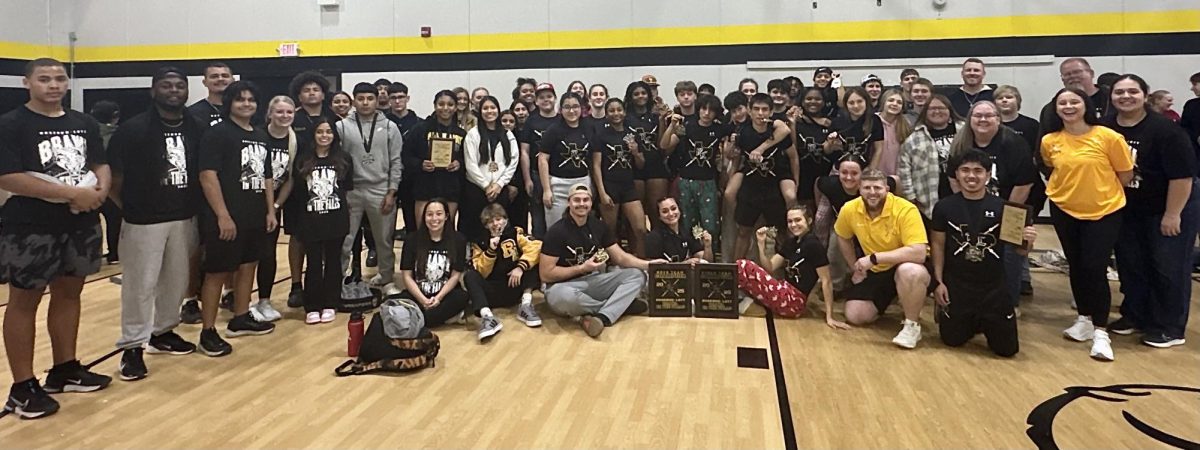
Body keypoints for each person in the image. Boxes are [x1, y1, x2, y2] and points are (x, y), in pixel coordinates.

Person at [0, 58, 112, 418]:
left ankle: (65, 368)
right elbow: (8, 177)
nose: (53, 85)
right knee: (24, 301)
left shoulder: (84, 123)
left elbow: (100, 165)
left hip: (80, 224)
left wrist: (98, 193)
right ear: (27, 83)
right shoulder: (12, 124)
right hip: (31, 226)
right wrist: (70, 194)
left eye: (59, 78)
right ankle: (21, 387)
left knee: (69, 293)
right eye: (44, 79)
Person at [107, 67, 202, 381]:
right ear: (153, 90)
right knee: (140, 286)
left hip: (184, 216)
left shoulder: (196, 127)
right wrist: (132, 209)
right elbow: (115, 180)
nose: (173, 90)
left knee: (176, 280)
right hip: (143, 220)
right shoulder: (133, 130)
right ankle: (133, 346)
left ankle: (163, 332)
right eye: (166, 85)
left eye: (179, 85)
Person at [1104, 74, 1198, 349]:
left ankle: (1170, 326)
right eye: (1119, 92)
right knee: (1132, 265)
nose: (1125, 96)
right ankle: (1135, 315)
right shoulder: (1106, 128)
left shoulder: (1166, 130)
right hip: (1129, 209)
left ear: (1145, 96)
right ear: (1111, 97)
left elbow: (1182, 178)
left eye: (1132, 91)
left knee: (1168, 268)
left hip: (1168, 207)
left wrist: (1173, 214)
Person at [1041, 87, 1134, 361]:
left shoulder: (1107, 136)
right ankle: (1083, 318)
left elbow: (1125, 174)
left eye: (1074, 101)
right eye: (1062, 103)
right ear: (1056, 109)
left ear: (1086, 105)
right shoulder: (1050, 140)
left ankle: (1101, 332)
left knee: (1095, 268)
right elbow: (1052, 167)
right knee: (1077, 265)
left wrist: (1099, 192)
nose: (1068, 106)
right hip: (1064, 210)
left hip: (1104, 211)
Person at [196, 80, 276, 358]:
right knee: (217, 272)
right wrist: (222, 215)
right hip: (226, 216)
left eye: (251, 100)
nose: (246, 104)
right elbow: (208, 176)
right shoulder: (217, 134)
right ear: (230, 102)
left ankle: (240, 317)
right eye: (240, 99)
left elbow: (267, 177)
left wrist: (270, 210)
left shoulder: (260, 134)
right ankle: (207, 331)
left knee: (248, 266)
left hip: (254, 215)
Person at [931, 149, 1037, 357]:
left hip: (993, 290)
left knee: (1007, 351)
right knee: (952, 340)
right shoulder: (943, 207)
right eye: (965, 170)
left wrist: (1028, 242)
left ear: (988, 175)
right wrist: (938, 283)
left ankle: (985, 321)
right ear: (957, 174)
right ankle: (967, 320)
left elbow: (1020, 250)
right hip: (958, 286)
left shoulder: (1005, 209)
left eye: (978, 171)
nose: (971, 176)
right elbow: (937, 246)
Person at [539, 184, 664, 338]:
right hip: (563, 287)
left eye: (586, 200)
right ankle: (618, 307)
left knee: (637, 275)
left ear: (591, 203)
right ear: (569, 202)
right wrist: (582, 268)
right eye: (577, 200)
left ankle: (600, 317)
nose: (581, 204)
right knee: (563, 299)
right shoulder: (556, 232)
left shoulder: (598, 226)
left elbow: (620, 257)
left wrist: (649, 265)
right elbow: (545, 274)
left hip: (594, 281)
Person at [948, 101, 1036, 313]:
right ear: (970, 119)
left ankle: (1009, 303)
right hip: (971, 206)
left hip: (1010, 208)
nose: (983, 120)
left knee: (1009, 255)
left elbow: (1024, 182)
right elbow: (953, 177)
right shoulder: (961, 143)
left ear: (998, 119)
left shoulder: (1014, 143)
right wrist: (967, 207)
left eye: (989, 115)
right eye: (978, 116)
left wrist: (1004, 214)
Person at [833, 169, 930, 349]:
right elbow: (842, 235)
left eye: (877, 188)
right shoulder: (849, 209)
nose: (872, 192)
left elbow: (919, 253)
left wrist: (874, 258)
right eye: (867, 188)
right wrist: (855, 267)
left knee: (909, 272)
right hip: (878, 271)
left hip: (907, 266)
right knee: (855, 315)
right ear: (859, 190)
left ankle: (912, 325)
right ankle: (895, 298)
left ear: (887, 188)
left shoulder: (906, 209)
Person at [336, 83, 404, 294]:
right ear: (354, 101)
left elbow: (396, 161)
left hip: (381, 190)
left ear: (377, 100)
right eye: (361, 98)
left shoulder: (390, 127)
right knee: (345, 238)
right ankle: (337, 280)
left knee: (383, 239)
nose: (365, 103)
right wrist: (340, 191)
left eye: (370, 98)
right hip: (352, 191)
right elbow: (336, 160)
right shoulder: (342, 127)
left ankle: (386, 278)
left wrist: (392, 192)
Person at [287, 117, 353, 325]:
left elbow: (347, 191)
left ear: (334, 135)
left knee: (333, 262)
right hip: (310, 220)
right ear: (313, 135)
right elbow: (297, 193)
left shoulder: (343, 159)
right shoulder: (303, 159)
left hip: (336, 220)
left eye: (328, 132)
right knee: (313, 263)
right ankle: (312, 305)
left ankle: (330, 303)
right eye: (320, 132)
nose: (324, 136)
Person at [737, 207, 844, 327]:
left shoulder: (814, 245)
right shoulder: (791, 242)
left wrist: (829, 316)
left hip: (793, 301)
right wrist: (761, 245)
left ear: (809, 220)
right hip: (783, 290)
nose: (793, 225)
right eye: (790, 221)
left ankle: (740, 302)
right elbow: (770, 267)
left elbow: (826, 280)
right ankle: (743, 302)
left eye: (798, 220)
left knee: (743, 265)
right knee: (742, 267)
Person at [285, 72, 338, 307]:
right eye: (306, 90)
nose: (311, 93)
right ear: (299, 95)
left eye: (315, 89)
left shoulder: (333, 119)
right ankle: (296, 285)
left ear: (323, 93)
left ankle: (323, 284)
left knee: (326, 237)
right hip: (298, 188)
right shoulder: (292, 119)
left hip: (327, 187)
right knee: (297, 237)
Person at [730, 93, 797, 260]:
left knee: (779, 231)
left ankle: (789, 267)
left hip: (774, 185)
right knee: (743, 230)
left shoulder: (778, 130)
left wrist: (796, 182)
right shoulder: (742, 132)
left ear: (771, 112)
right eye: (756, 109)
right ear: (750, 111)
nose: (761, 113)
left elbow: (793, 157)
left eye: (765, 109)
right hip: (751, 185)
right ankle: (737, 270)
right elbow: (735, 158)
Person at [464, 204, 543, 341]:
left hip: (515, 284)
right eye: (490, 221)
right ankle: (488, 317)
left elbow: (536, 246)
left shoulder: (516, 233)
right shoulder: (480, 242)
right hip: (492, 290)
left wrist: (520, 267)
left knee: (532, 262)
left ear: (505, 220)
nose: (495, 224)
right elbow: (481, 271)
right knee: (470, 276)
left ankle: (525, 305)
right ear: (485, 225)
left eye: (499, 219)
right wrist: (490, 251)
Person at [250, 96, 297, 322]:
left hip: (273, 204)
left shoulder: (295, 140)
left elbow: (290, 178)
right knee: (247, 255)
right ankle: (240, 300)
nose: (284, 116)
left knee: (268, 254)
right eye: (279, 112)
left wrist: (276, 206)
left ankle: (265, 300)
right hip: (249, 200)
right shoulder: (257, 136)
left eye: (289, 112)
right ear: (270, 114)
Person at [995, 85, 1044, 296]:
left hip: (1025, 188)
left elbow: (1036, 154)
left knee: (1020, 234)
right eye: (1000, 98)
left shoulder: (1030, 125)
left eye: (1009, 97)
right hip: (998, 190)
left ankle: (1022, 278)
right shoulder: (987, 126)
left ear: (1018, 100)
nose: (1005, 101)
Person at [662, 94, 728, 243]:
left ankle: (710, 258)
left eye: (711, 110)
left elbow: (735, 136)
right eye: (703, 109)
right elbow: (664, 145)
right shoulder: (687, 126)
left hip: (708, 182)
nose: (706, 113)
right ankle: (690, 255)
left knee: (710, 224)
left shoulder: (719, 129)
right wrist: (672, 126)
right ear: (698, 109)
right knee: (687, 223)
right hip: (686, 181)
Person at [398, 200, 471, 327]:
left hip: (444, 296)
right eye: (429, 214)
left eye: (439, 214)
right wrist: (423, 300)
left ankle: (417, 321)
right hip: (418, 294)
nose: (434, 219)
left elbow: (455, 275)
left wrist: (438, 298)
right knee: (391, 302)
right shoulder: (412, 239)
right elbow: (407, 276)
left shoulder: (459, 240)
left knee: (463, 297)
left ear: (446, 216)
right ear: (424, 217)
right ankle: (437, 318)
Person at [590, 98, 647, 256]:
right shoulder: (600, 135)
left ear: (624, 111)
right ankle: (613, 265)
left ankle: (642, 263)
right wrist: (602, 193)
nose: (616, 113)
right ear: (606, 114)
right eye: (612, 110)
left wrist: (635, 152)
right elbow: (596, 166)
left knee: (640, 229)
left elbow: (641, 164)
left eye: (619, 110)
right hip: (609, 186)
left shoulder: (632, 134)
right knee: (610, 232)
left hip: (628, 186)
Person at [404, 90, 465, 227]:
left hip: (450, 187)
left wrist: (459, 163)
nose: (445, 108)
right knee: (422, 229)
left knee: (447, 228)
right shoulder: (419, 130)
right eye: (441, 104)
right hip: (424, 186)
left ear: (455, 107)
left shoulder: (461, 133)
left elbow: (467, 159)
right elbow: (406, 156)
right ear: (435, 105)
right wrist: (420, 164)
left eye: (450, 105)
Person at [462, 95, 519, 242]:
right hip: (477, 189)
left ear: (498, 111)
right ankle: (474, 261)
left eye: (492, 108)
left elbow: (513, 161)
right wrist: (486, 185)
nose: (489, 111)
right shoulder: (473, 134)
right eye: (485, 108)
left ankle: (501, 261)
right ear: (480, 111)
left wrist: (499, 185)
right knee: (475, 228)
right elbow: (470, 164)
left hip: (500, 190)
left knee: (500, 228)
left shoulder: (508, 134)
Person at [897, 94, 961, 219]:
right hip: (928, 200)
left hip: (962, 194)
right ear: (925, 112)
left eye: (941, 108)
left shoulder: (963, 131)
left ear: (950, 111)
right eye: (932, 109)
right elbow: (904, 169)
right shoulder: (914, 138)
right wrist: (911, 197)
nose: (937, 111)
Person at [538, 93, 592, 230]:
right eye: (567, 107)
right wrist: (546, 190)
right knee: (555, 228)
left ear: (582, 108)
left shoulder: (589, 129)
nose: (572, 111)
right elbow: (543, 159)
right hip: (558, 185)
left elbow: (595, 158)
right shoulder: (553, 130)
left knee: (582, 226)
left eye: (575, 106)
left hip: (582, 183)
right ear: (560, 110)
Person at [791, 86, 845, 213]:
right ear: (802, 101)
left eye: (817, 99)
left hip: (826, 175)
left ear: (824, 102)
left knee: (824, 215)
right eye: (809, 99)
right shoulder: (795, 122)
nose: (813, 102)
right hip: (804, 176)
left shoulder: (832, 123)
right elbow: (792, 147)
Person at [624, 81, 671, 227]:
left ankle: (659, 246)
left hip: (656, 166)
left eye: (643, 93)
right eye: (636, 94)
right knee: (635, 216)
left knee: (656, 211)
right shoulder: (625, 118)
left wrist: (663, 121)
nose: (640, 96)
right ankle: (636, 249)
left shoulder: (657, 116)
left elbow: (662, 144)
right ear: (630, 97)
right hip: (634, 168)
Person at [518, 82, 558, 238]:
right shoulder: (531, 122)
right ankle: (538, 249)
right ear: (536, 101)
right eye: (541, 97)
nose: (546, 100)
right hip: (536, 174)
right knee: (538, 214)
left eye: (549, 96)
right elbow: (524, 151)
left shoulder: (561, 120)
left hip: (558, 174)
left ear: (555, 99)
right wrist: (527, 179)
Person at [387, 82, 421, 241]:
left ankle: (413, 253)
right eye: (393, 98)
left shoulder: (419, 124)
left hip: (411, 178)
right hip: (387, 177)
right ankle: (376, 252)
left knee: (412, 220)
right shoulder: (382, 123)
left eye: (401, 97)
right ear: (388, 100)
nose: (397, 101)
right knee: (384, 220)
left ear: (408, 98)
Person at [91, 100, 123, 265]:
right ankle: (114, 254)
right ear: (115, 116)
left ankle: (92, 256)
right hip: (109, 185)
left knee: (91, 221)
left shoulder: (85, 133)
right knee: (114, 219)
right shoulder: (119, 135)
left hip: (86, 186)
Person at [1040, 58, 1112, 130]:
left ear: (1091, 73)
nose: (1072, 76)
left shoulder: (1112, 99)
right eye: (1067, 74)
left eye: (1077, 72)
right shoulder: (1051, 109)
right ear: (1062, 79)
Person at [646, 197, 712, 263]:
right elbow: (654, 268)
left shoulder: (689, 231)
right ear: (659, 216)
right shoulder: (654, 237)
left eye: (673, 208)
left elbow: (705, 263)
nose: (671, 214)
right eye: (665, 211)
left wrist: (707, 246)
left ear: (679, 210)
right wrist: (685, 265)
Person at [832, 87, 884, 169]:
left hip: (865, 169)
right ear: (846, 105)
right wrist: (830, 142)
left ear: (866, 102)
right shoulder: (837, 121)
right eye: (851, 103)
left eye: (859, 101)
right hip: (840, 169)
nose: (856, 106)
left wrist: (871, 170)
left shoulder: (874, 120)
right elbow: (828, 149)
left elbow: (879, 149)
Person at [876, 89, 913, 178]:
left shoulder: (906, 124)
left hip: (898, 177)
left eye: (899, 102)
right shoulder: (873, 121)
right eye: (891, 100)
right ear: (883, 102)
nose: (895, 104)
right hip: (875, 176)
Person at [188, 62, 233, 129]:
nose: (220, 79)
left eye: (225, 76)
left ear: (233, 80)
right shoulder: (192, 112)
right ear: (204, 82)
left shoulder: (244, 109)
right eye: (214, 76)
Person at [1182, 73, 1200, 168]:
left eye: (1195, 84)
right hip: (1196, 154)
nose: (1192, 88)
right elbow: (1184, 127)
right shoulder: (1191, 105)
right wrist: (1196, 136)